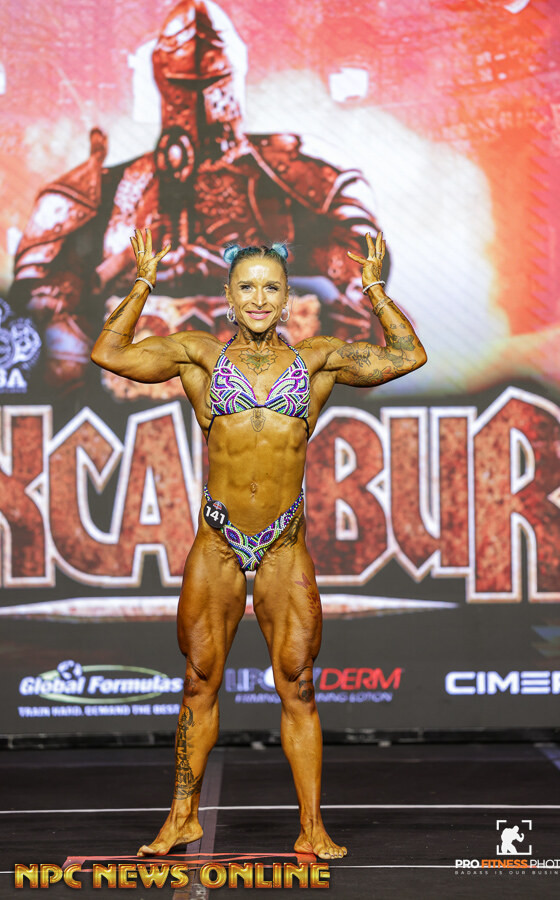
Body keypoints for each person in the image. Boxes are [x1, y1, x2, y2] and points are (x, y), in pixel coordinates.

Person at [90, 226, 426, 860]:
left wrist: (376, 291)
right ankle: (182, 818)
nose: (259, 298)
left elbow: (408, 355)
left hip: (283, 546)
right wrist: (142, 283)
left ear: (287, 297)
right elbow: (109, 351)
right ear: (228, 296)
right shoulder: (198, 357)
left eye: (271, 288)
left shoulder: (317, 360)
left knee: (297, 684)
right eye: (247, 288)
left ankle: (312, 827)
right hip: (218, 542)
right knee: (199, 681)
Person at [12, 0, 381, 397]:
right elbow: (38, 300)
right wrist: (110, 272)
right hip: (132, 387)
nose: (200, 101)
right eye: (185, 85)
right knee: (61, 349)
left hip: (272, 382)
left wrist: (268, 266)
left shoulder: (300, 169)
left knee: (360, 327)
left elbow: (361, 267)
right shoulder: (107, 187)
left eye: (211, 81)